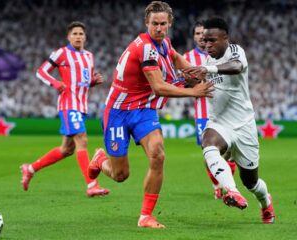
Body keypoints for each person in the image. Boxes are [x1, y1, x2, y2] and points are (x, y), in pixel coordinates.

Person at [87, 1, 214, 229]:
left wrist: (196, 73)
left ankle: (145, 216)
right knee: (120, 175)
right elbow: (158, 87)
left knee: (158, 154)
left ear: (169, 24)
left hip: (143, 110)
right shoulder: (145, 47)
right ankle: (99, 159)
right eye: (154, 23)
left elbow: (176, 58)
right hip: (118, 112)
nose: (158, 28)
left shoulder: (163, 42)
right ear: (146, 23)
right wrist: (193, 90)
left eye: (163, 23)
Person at [183, 17, 275, 224]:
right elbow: (196, 83)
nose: (207, 45)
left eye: (212, 40)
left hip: (243, 125)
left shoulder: (235, 51)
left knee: (251, 182)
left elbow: (236, 67)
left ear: (226, 38)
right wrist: (187, 82)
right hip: (219, 122)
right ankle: (230, 191)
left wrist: (209, 70)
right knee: (208, 143)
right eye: (205, 41)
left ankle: (266, 203)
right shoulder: (206, 60)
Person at [20, 21, 110, 197]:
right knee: (82, 140)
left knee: (66, 149)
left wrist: (91, 83)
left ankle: (30, 168)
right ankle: (92, 184)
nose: (78, 36)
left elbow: (82, 81)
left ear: (85, 37)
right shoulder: (62, 53)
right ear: (69, 37)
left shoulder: (89, 56)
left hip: (81, 106)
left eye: (81, 34)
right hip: (68, 105)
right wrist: (55, 82)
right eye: (74, 33)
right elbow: (41, 71)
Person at [184, 21, 237, 200]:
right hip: (203, 113)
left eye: (202, 34)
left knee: (229, 155)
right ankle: (217, 185)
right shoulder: (188, 58)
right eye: (197, 34)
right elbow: (183, 82)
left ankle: (228, 185)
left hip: (227, 112)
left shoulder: (222, 55)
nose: (200, 37)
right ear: (194, 37)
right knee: (209, 153)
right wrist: (192, 84)